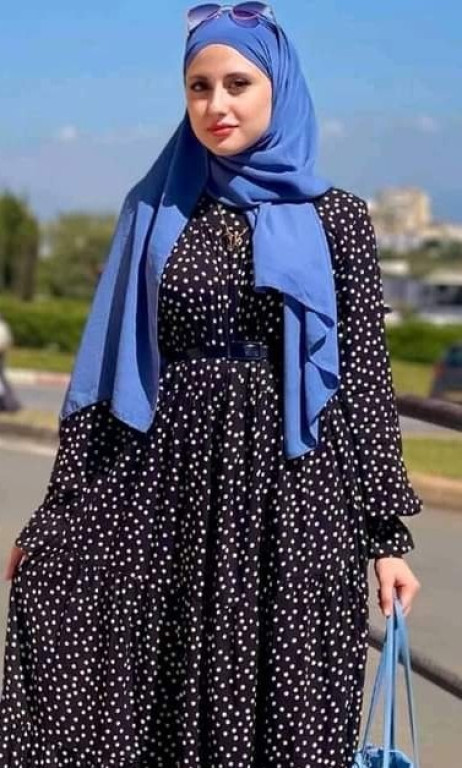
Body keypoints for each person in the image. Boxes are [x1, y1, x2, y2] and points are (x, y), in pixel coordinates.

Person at [0, 4, 422, 767]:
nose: (216, 105)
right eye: (199, 87)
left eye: (237, 84)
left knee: (286, 697)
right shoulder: (155, 209)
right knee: (148, 690)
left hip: (295, 497)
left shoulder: (338, 219)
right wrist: (55, 514)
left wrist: (387, 540)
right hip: (168, 484)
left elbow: (362, 379)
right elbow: (107, 376)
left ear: (278, 88)